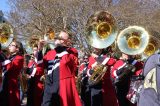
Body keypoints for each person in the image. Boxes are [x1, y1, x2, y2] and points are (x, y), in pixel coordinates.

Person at [38, 30, 82, 106]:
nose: (57, 38)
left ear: (67, 41)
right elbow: (40, 66)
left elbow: (68, 60)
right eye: (58, 36)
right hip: (49, 84)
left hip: (62, 84)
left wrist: (63, 46)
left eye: (61, 37)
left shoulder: (72, 52)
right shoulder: (50, 53)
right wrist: (40, 50)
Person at [0, 40, 24, 106]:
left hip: (11, 84)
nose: (9, 46)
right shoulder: (10, 57)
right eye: (9, 45)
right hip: (5, 82)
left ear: (17, 49)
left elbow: (9, 67)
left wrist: (1, 55)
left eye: (12, 45)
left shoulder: (19, 58)